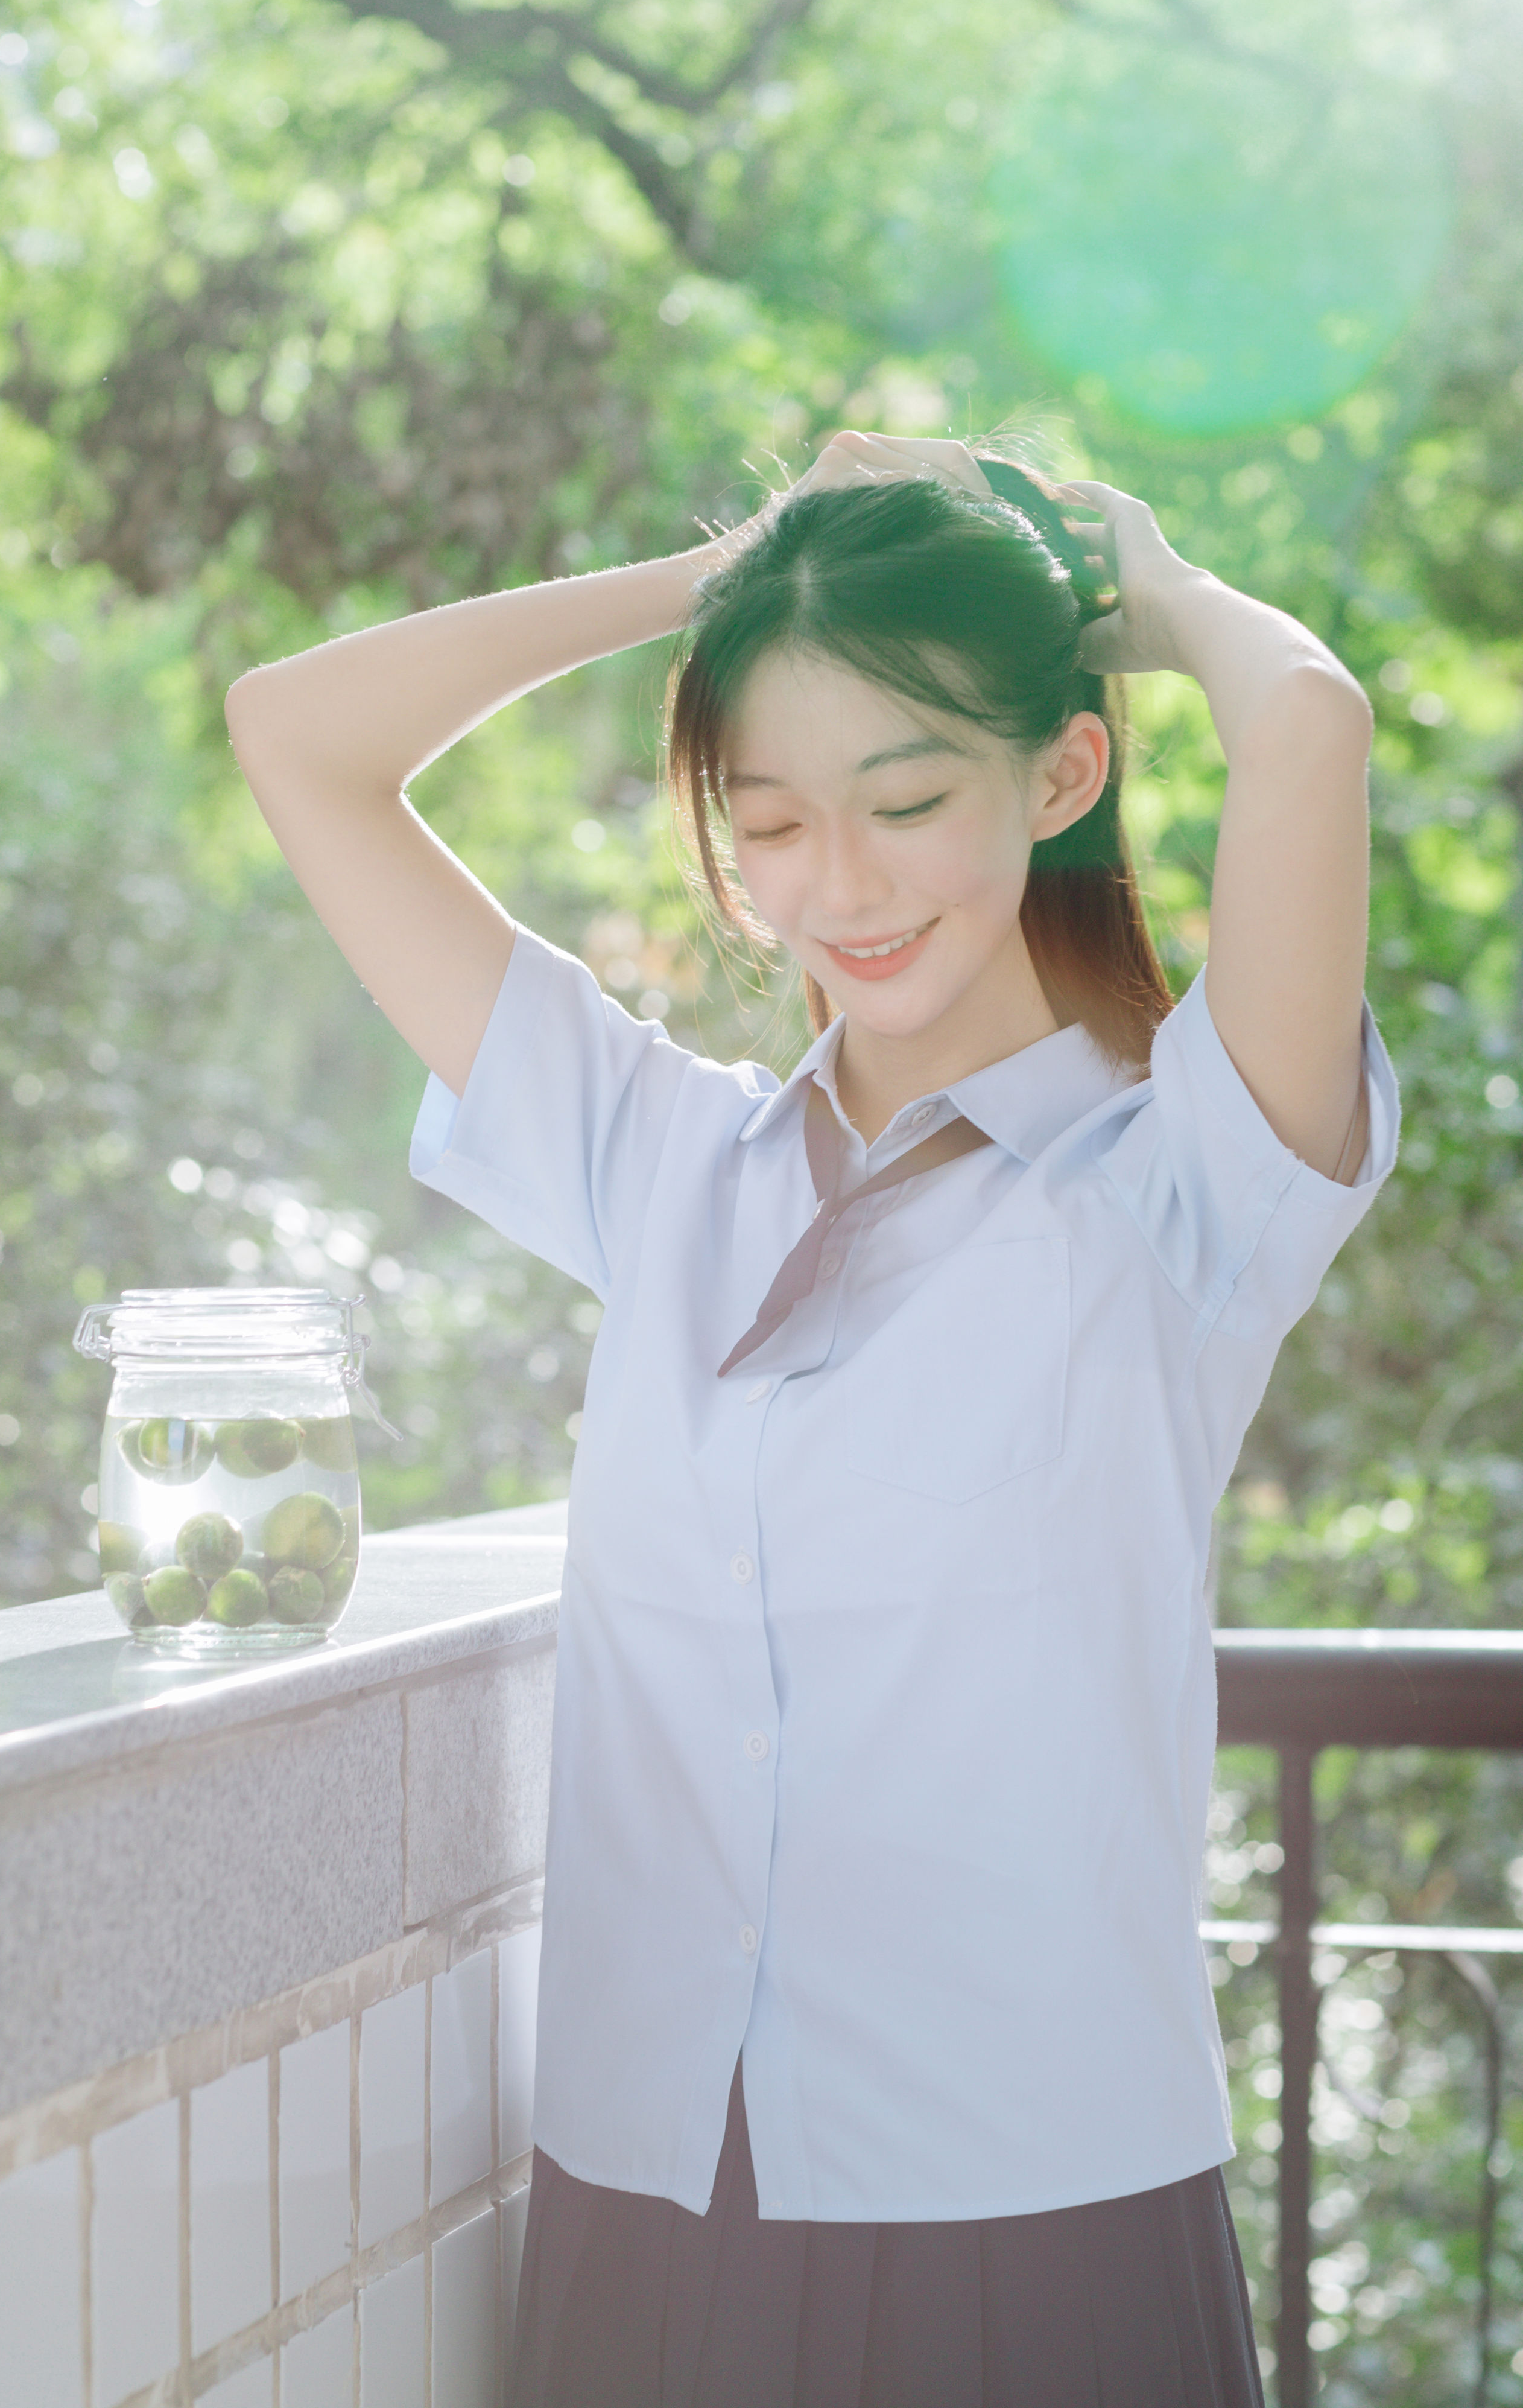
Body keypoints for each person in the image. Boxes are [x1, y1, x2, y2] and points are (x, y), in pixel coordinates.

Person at [226, 429, 1400, 2406]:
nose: (834, 887)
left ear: (1059, 775)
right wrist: (732, 584)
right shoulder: (658, 1160)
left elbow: (1309, 725)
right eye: (766, 821)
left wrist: (1148, 588)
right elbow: (297, 733)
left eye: (907, 796)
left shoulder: (1187, 1177)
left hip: (1039, 2217)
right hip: (651, 2202)